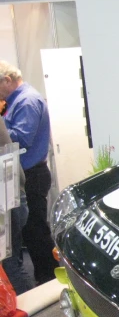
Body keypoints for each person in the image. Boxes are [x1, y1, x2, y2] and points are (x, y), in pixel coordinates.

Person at [0, 61, 58, 285]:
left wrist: (3, 130)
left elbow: (23, 138)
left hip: (32, 174)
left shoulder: (27, 100)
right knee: (29, 232)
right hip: (23, 174)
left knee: (36, 231)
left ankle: (49, 279)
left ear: (7, 80)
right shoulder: (13, 102)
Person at [0, 101, 34, 294]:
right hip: (11, 192)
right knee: (12, 261)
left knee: (10, 263)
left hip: (6, 195)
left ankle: (29, 316)